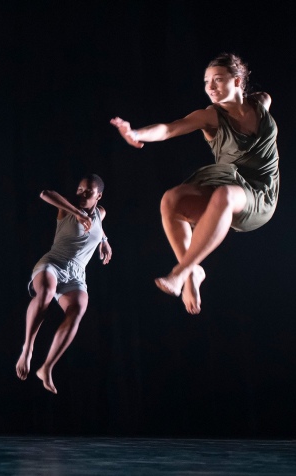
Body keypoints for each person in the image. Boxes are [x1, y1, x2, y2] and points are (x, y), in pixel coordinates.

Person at [110, 52, 279, 315]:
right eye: (206, 81)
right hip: (229, 184)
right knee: (171, 199)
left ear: (237, 81)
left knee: (224, 195)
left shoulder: (262, 102)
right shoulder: (210, 116)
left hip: (260, 196)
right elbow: (170, 128)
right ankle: (192, 272)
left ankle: (181, 273)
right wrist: (135, 133)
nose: (210, 87)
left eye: (217, 80)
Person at [15, 174, 112, 394]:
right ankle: (28, 348)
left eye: (88, 191)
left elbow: (97, 227)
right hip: (53, 263)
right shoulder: (67, 208)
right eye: (79, 189)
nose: (82, 194)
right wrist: (77, 212)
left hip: (77, 275)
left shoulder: (101, 213)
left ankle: (46, 367)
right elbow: (44, 194)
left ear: (99, 195)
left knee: (78, 310)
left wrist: (104, 241)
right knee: (47, 291)